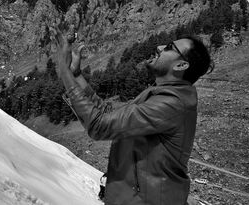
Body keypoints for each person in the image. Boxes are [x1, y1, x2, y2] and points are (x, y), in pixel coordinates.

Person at [54, 30, 213, 205]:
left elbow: (99, 125)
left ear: (181, 65)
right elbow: (108, 116)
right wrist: (76, 76)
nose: (159, 47)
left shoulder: (171, 104)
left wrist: (64, 70)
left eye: (169, 47)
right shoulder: (164, 96)